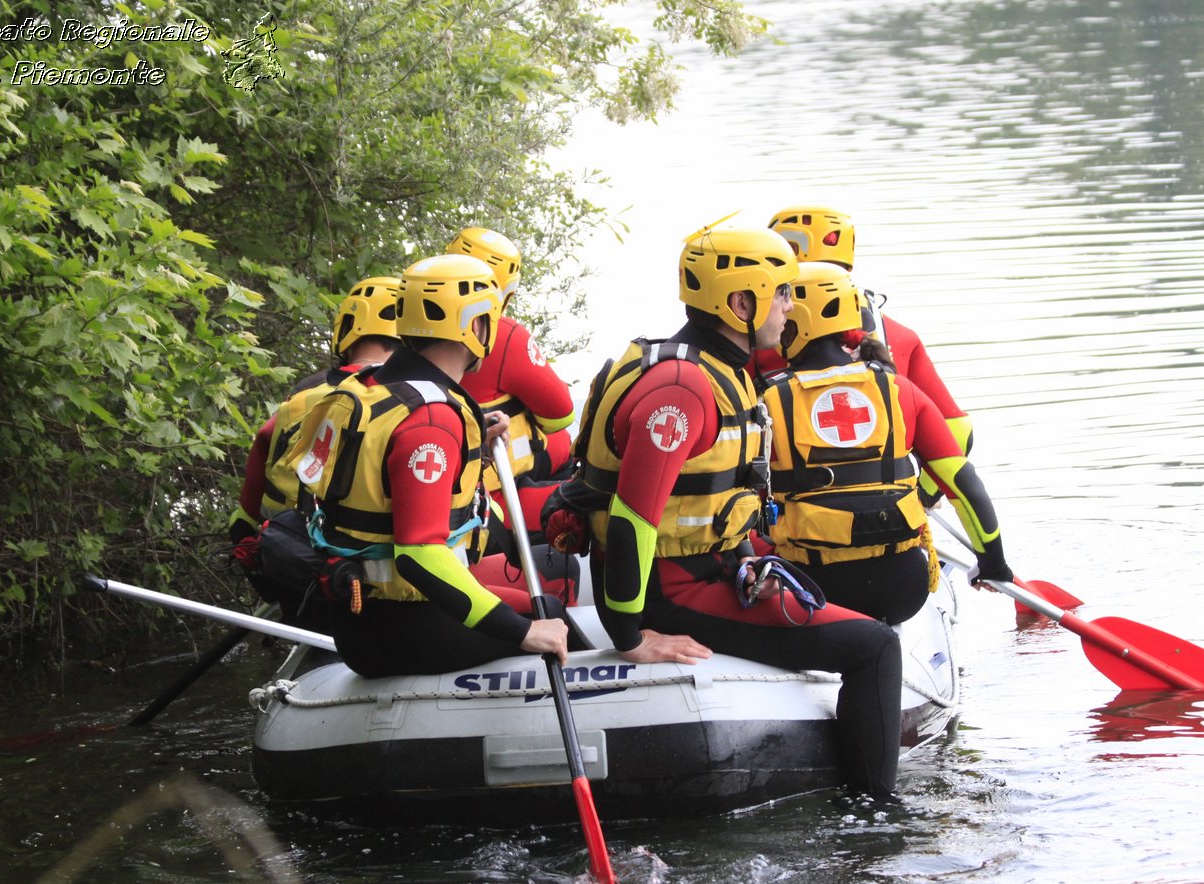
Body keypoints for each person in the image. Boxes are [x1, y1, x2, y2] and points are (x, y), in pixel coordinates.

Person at [554, 219, 907, 797]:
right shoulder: (684, 390)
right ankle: (876, 816)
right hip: (669, 591)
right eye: (783, 294)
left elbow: (709, 506)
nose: (791, 308)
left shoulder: (716, 370)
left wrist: (747, 562)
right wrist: (629, 636)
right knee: (874, 646)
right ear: (740, 302)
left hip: (708, 568)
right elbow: (632, 519)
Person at [285, 253, 569, 677]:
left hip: (356, 618)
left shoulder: (367, 387)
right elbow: (417, 556)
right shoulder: (432, 418)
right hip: (405, 629)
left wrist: (474, 441)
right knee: (548, 617)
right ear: (475, 326)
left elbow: (383, 466)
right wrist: (524, 633)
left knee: (542, 608)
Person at [762, 262, 1012, 625]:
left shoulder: (767, 400)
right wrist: (993, 564)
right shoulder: (899, 390)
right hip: (902, 589)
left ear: (797, 322)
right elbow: (964, 484)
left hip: (815, 587)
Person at [228, 275, 403, 628]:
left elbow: (247, 512)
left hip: (300, 580)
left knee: (244, 527)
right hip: (386, 598)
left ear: (345, 331)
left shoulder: (301, 395)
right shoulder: (420, 399)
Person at [767, 205, 976, 454]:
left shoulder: (764, 337)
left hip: (799, 490)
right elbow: (959, 430)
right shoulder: (901, 335)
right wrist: (920, 493)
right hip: (897, 489)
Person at [448, 227, 577, 541]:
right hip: (487, 495)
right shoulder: (504, 336)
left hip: (443, 480)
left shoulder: (403, 318)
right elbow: (561, 414)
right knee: (563, 449)